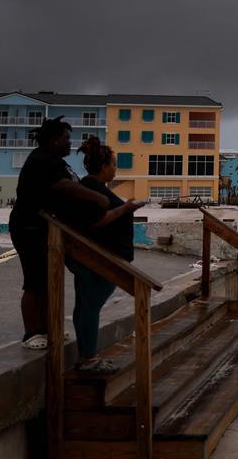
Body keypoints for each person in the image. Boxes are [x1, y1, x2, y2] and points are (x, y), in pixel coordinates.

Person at [9, 117, 109, 350]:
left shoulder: (56, 161)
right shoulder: (41, 160)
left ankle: (48, 326)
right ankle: (32, 332)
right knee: (34, 281)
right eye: (65, 138)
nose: (69, 143)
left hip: (48, 229)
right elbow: (63, 186)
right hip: (29, 228)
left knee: (47, 279)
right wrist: (97, 197)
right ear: (53, 140)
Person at [70, 137, 144, 372]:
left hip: (101, 257)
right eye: (113, 164)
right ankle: (89, 359)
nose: (115, 168)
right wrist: (126, 208)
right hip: (99, 260)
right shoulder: (91, 190)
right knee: (90, 306)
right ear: (103, 167)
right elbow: (96, 222)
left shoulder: (91, 187)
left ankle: (86, 356)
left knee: (86, 306)